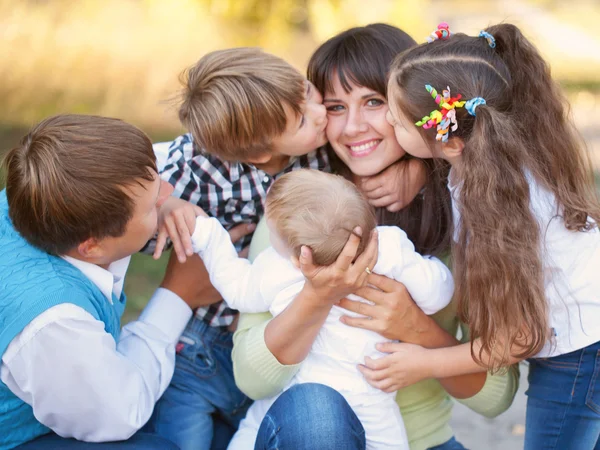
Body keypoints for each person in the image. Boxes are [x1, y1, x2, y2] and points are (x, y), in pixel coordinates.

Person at [232, 24, 520, 450]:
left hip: (420, 441)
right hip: (312, 433)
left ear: (411, 102)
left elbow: (497, 397)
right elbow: (251, 379)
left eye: (373, 102)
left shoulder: (463, 210)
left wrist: (415, 327)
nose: (351, 127)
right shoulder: (301, 207)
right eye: (334, 107)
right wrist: (318, 295)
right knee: (317, 408)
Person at [144, 47, 411, 450]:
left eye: (306, 91)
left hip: (280, 339)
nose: (320, 113)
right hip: (202, 345)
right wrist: (163, 204)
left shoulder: (316, 150)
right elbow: (127, 204)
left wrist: (413, 169)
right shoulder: (195, 170)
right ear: (258, 153)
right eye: (304, 117)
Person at [384, 23, 600, 449]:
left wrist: (425, 363)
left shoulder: (502, 211)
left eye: (398, 122)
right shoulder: (495, 157)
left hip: (583, 355)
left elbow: (516, 340)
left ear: (448, 143)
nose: (388, 124)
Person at [173, 169, 452, 449]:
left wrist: (209, 236)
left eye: (271, 233)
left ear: (299, 257)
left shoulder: (278, 269)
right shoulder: (388, 247)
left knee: (254, 432)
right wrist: (429, 268)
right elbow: (437, 295)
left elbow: (236, 289)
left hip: (298, 393)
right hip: (372, 399)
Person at [0, 114, 203, 449]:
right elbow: (120, 414)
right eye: (153, 204)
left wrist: (154, 205)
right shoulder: (53, 321)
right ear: (91, 245)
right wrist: (179, 294)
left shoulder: (40, 196)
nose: (168, 194)